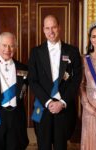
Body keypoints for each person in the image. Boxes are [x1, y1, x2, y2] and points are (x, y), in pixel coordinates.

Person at [28, 15, 82, 150]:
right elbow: (32, 81)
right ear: (43, 30)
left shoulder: (72, 51)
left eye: (53, 27)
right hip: (43, 106)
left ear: (59, 28)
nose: (51, 31)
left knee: (61, 146)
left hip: (64, 108)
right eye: (47, 28)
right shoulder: (36, 52)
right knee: (43, 146)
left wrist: (62, 102)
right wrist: (48, 102)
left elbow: (76, 79)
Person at [80, 21, 96, 150]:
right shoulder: (85, 59)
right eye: (94, 36)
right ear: (90, 39)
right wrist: (87, 105)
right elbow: (81, 85)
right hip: (90, 109)